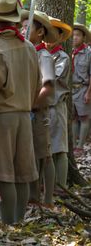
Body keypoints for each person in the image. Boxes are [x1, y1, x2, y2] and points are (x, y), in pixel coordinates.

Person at [0, 0, 40, 224]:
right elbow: (37, 85)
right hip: (25, 116)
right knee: (22, 173)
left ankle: (8, 224)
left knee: (5, 174)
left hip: (1, 119)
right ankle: (18, 221)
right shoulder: (29, 48)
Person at [21, 10, 56, 208]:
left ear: (40, 32)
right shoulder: (27, 53)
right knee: (31, 154)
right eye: (22, 26)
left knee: (44, 154)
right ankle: (33, 197)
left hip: (37, 113)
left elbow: (48, 86)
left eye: (28, 27)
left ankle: (48, 199)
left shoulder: (43, 56)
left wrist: (32, 104)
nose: (23, 30)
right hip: (26, 112)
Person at [46, 17, 72, 188]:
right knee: (45, 149)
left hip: (56, 106)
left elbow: (51, 79)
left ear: (60, 36)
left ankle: (61, 187)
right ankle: (47, 186)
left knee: (59, 148)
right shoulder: (39, 53)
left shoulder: (62, 58)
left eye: (53, 32)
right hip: (41, 108)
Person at [71, 23, 91, 155]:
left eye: (78, 35)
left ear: (84, 37)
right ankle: (73, 144)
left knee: (84, 117)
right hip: (70, 89)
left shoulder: (88, 53)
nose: (74, 38)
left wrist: (89, 93)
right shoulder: (69, 51)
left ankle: (80, 146)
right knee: (72, 117)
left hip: (83, 88)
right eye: (73, 35)